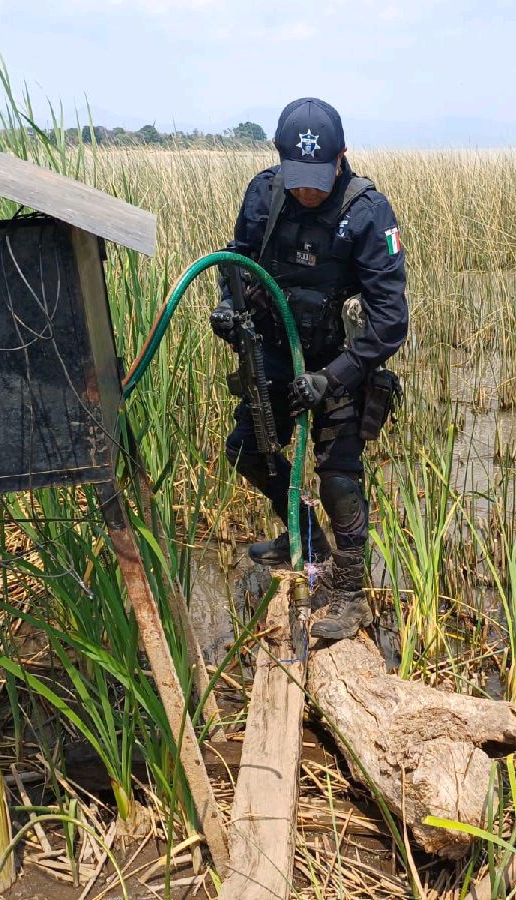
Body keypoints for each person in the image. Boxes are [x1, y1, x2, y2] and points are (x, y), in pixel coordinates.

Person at [210, 97, 408, 640]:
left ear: (342, 158)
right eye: (298, 179)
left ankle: (348, 592)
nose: (308, 192)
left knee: (338, 475)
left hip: (338, 362)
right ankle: (303, 538)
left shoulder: (367, 212)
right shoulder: (264, 195)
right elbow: (236, 266)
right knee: (248, 453)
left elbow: (390, 320)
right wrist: (229, 309)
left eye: (319, 180)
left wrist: (333, 377)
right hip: (272, 351)